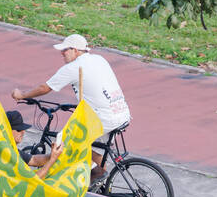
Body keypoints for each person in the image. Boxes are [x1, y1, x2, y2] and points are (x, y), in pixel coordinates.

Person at [11, 33, 131, 178]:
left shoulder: (74, 67)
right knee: (88, 148)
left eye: (65, 50)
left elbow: (45, 88)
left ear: (76, 50)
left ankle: (97, 175)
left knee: (63, 143)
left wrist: (22, 95)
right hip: (121, 112)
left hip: (104, 118)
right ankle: (103, 185)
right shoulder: (99, 59)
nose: (62, 53)